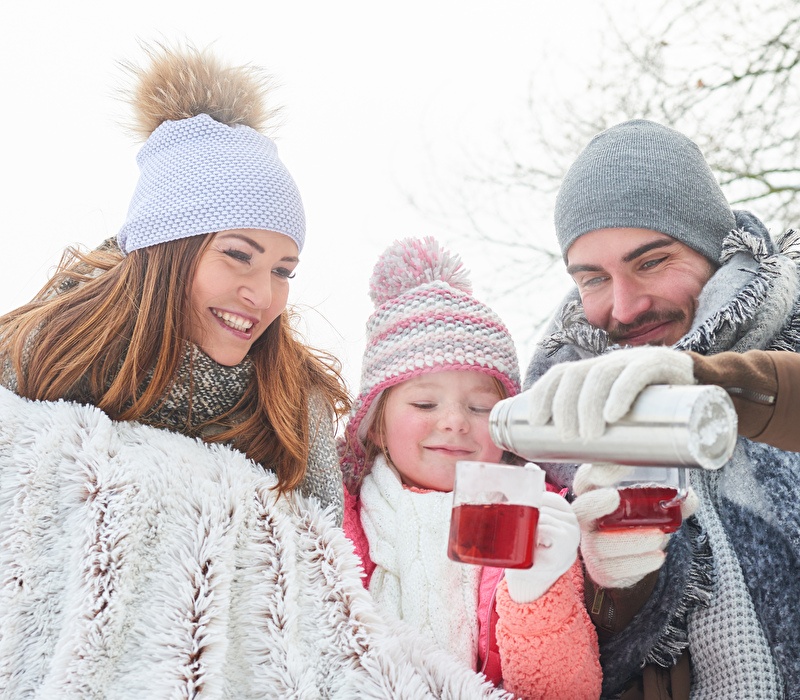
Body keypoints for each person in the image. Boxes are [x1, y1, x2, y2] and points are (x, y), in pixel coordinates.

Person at [0, 44, 515, 697]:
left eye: (282, 270)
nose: (262, 294)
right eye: (238, 256)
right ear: (167, 248)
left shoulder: (290, 400)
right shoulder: (46, 352)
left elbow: (322, 591)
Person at [520, 119, 800, 699]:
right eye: (593, 279)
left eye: (650, 262)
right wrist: (620, 588)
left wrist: (708, 385)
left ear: (713, 249)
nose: (624, 308)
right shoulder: (553, 421)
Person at [339, 236, 602, 699]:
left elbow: (565, 691)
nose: (455, 422)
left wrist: (535, 590)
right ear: (375, 425)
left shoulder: (533, 518)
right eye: (425, 403)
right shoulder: (336, 520)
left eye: (480, 407)